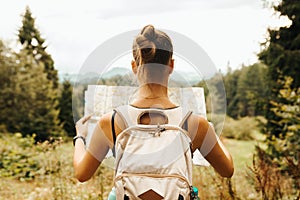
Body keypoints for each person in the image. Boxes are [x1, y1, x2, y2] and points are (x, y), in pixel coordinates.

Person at [73, 24, 234, 187]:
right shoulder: (196, 124)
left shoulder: (110, 122)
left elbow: (82, 173)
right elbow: (227, 170)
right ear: (171, 65)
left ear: (134, 67)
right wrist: (211, 131)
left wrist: (80, 137)